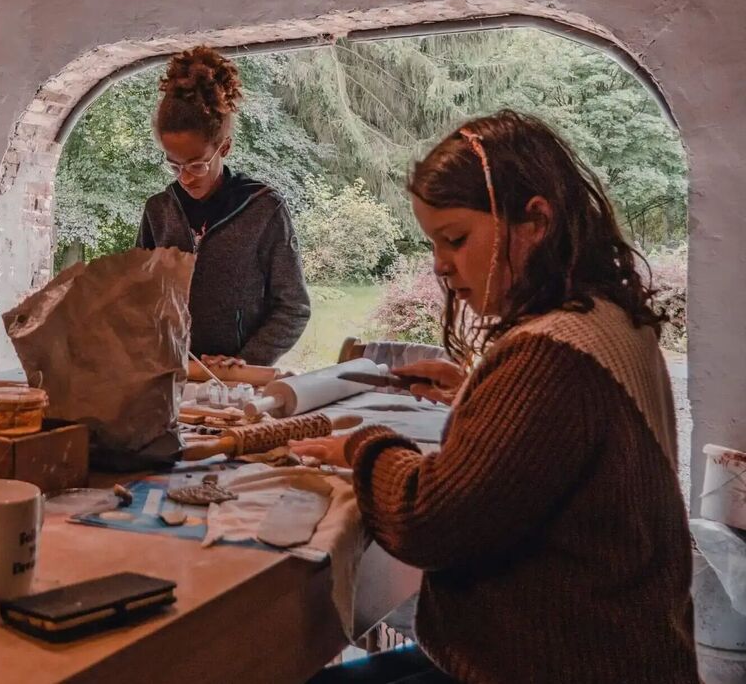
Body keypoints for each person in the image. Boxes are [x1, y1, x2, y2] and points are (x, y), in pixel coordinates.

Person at [291, 110, 697, 683]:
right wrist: (475, 396)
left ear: (534, 221)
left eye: (455, 239)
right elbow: (555, 451)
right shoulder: (608, 318)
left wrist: (363, 446)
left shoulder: (550, 358)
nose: (440, 264)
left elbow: (425, 519)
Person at [135, 46, 310, 368]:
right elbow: (139, 301)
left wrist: (245, 360)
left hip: (238, 381)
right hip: (169, 376)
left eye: (197, 165)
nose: (185, 178)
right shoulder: (158, 211)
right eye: (173, 166)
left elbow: (293, 307)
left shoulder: (264, 209)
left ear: (224, 148)